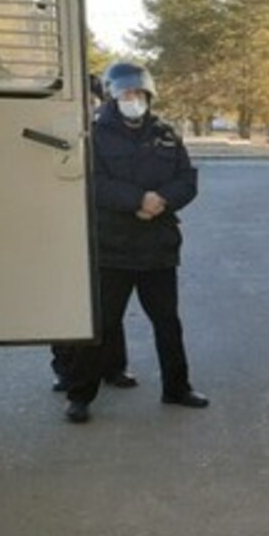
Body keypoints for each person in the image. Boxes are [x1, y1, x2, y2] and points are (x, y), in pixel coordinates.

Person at [64, 62, 209, 424]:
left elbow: (186, 179)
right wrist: (137, 200)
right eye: (127, 93)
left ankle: (177, 388)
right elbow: (93, 182)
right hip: (113, 247)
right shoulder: (96, 135)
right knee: (102, 325)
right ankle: (80, 395)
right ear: (113, 96)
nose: (134, 99)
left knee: (167, 323)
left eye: (140, 93)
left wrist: (162, 200)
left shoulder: (165, 134)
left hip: (157, 246)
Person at [51, 70, 137, 393]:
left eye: (91, 100)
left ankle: (113, 367)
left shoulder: (107, 133)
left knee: (107, 307)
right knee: (65, 304)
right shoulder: (55, 131)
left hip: (104, 229)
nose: (87, 107)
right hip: (62, 227)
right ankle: (66, 371)